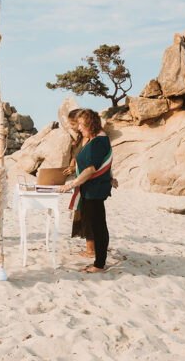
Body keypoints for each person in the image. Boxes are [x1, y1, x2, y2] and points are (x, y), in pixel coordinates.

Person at [57, 109, 112, 273]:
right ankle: (98, 262)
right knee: (96, 225)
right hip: (91, 190)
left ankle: (99, 265)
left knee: (98, 226)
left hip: (94, 190)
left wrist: (71, 184)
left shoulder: (97, 142)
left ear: (90, 123)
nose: (79, 128)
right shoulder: (95, 140)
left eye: (81, 124)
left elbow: (90, 169)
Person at [64, 109, 95, 257]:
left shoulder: (91, 139)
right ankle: (90, 247)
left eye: (72, 124)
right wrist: (71, 168)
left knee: (90, 214)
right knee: (82, 213)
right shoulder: (79, 139)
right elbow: (76, 158)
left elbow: (92, 163)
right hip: (80, 181)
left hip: (89, 182)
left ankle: (91, 249)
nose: (71, 127)